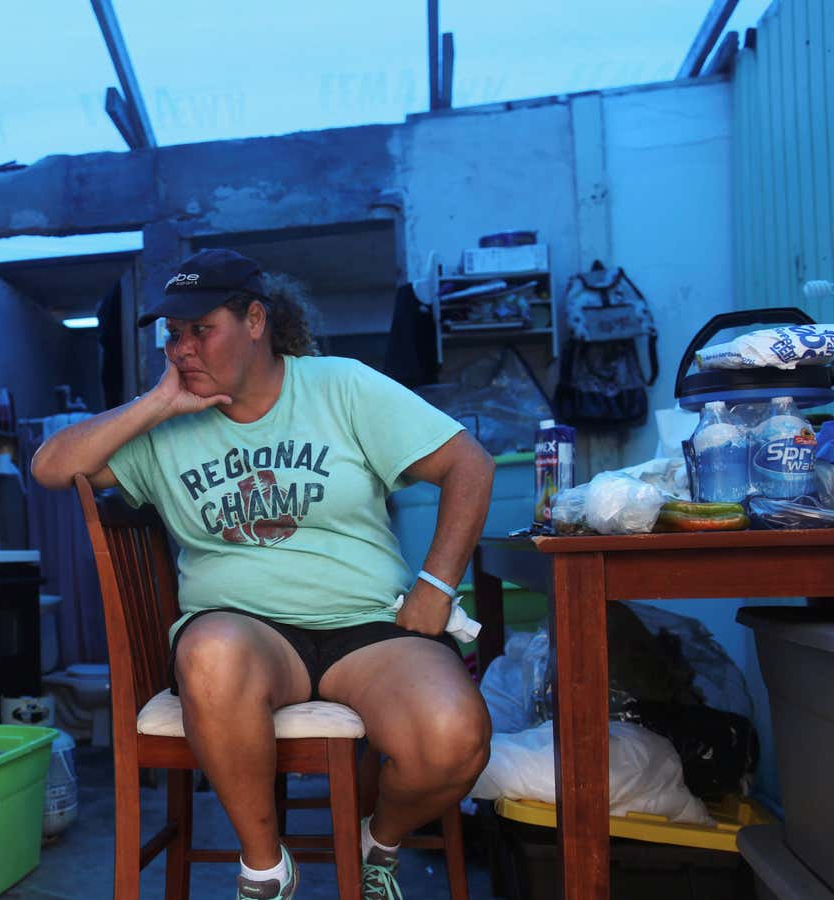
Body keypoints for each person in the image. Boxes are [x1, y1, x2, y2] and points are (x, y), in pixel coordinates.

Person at [31, 249, 495, 900]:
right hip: (244, 632)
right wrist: (158, 403)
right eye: (173, 334)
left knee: (455, 738)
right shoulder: (167, 427)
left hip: (368, 629)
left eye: (200, 329)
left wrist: (437, 585)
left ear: (256, 321)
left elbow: (468, 464)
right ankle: (265, 870)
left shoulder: (340, 387)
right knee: (211, 654)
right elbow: (51, 468)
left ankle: (379, 838)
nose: (182, 347)